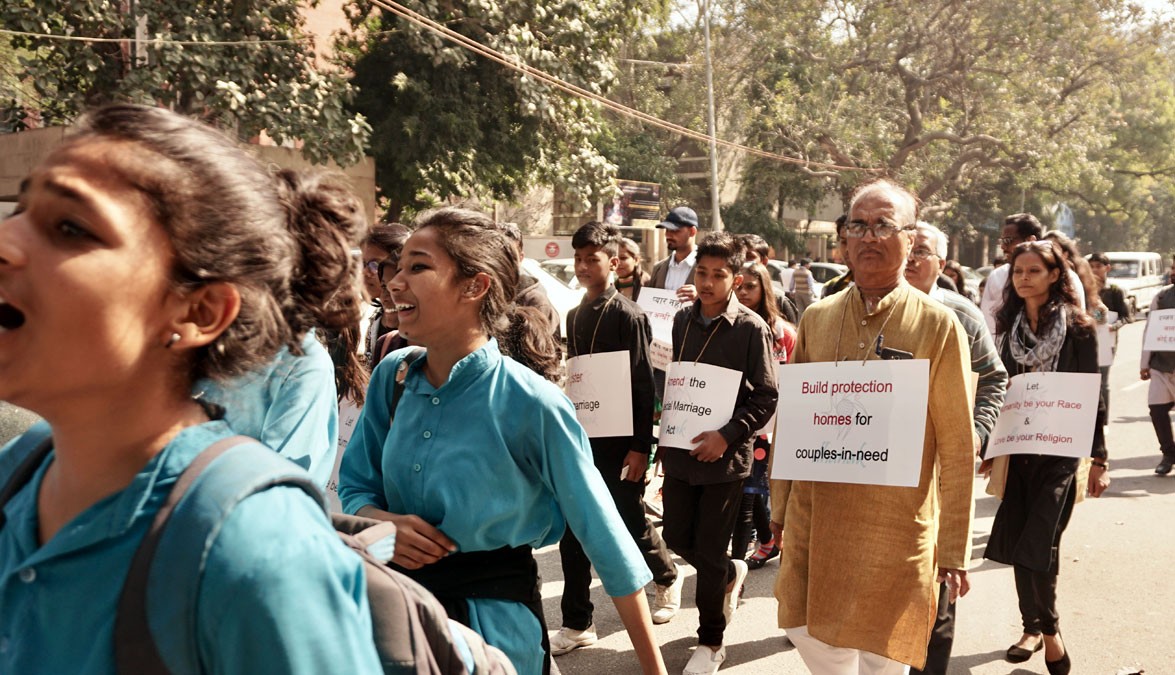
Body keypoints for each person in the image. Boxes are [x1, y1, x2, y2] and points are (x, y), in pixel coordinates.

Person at [0, 103, 381, 673]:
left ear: (200, 311)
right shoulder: (17, 472)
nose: (6, 240)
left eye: (71, 227)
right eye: (21, 209)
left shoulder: (256, 546)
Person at [338, 207, 666, 675]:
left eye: (418, 267)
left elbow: (603, 535)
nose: (394, 281)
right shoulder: (393, 376)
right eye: (396, 267)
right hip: (396, 624)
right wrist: (380, 522)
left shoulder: (532, 402)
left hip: (496, 636)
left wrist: (654, 668)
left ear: (475, 286)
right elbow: (356, 485)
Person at [771, 179, 975, 674]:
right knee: (806, 629)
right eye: (857, 225)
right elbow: (794, 424)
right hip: (818, 518)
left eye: (884, 225)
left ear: (910, 239)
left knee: (885, 653)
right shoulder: (817, 319)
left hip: (896, 527)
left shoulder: (938, 324)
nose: (868, 237)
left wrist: (953, 547)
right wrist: (779, 507)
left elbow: (957, 444)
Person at [552, 222, 681, 658]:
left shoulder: (629, 314)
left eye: (594, 258)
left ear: (614, 261)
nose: (585, 266)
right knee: (573, 528)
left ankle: (665, 577)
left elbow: (644, 386)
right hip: (582, 437)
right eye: (579, 259)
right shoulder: (574, 314)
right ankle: (577, 622)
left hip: (622, 441)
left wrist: (641, 448)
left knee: (626, 518)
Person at [986, 239, 1109, 675]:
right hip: (1019, 453)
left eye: (1034, 270)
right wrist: (990, 447)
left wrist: (1099, 459)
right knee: (1021, 540)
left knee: (1041, 541)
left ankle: (1050, 632)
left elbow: (1094, 394)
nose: (1023, 278)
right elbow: (1003, 393)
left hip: (1061, 453)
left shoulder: (1079, 327)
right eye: (1018, 271)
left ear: (1055, 276)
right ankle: (1030, 628)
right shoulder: (1010, 329)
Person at [660, 232, 778, 675]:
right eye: (702, 273)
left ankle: (710, 641)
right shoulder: (681, 321)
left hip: (724, 459)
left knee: (708, 548)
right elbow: (681, 382)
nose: (708, 283)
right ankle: (731, 573)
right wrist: (667, 437)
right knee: (676, 538)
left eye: (719, 275)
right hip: (680, 455)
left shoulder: (751, 328)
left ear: (737, 278)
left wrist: (726, 435)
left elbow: (767, 396)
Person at [904, 223, 1009, 675]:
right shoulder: (853, 310)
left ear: (941, 264)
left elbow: (994, 378)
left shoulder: (961, 315)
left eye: (921, 252)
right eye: (905, 248)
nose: (910, 258)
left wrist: (975, 437)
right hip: (879, 472)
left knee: (939, 584)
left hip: (942, 472)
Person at [732, 262, 794, 571]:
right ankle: (768, 541)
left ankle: (736, 569)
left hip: (769, 426)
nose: (743, 292)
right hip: (732, 423)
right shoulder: (728, 324)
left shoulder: (782, 333)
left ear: (764, 289)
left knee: (752, 491)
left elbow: (794, 382)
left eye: (750, 287)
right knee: (748, 491)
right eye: (739, 286)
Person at [981, 214, 1084, 336]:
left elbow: (1077, 324)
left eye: (1008, 241)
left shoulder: (1067, 277)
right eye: (1017, 272)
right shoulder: (997, 277)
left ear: (1030, 240)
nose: (1003, 247)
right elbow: (988, 325)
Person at [1088, 252, 1133, 420]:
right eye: (1091, 266)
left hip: (1106, 342)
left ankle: (1103, 419)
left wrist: (1113, 327)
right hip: (1087, 339)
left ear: (1107, 268)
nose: (1094, 270)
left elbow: (1126, 316)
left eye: (1098, 266)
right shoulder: (1083, 289)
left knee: (1103, 381)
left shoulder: (1114, 291)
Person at [361, 223, 411, 369]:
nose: (365, 272)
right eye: (363, 263)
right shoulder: (377, 321)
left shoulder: (415, 322)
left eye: (374, 264)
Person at [1141, 280, 1175, 475]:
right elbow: (1150, 330)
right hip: (1161, 366)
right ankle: (1168, 454)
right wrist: (1144, 364)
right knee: (1157, 410)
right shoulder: (1162, 296)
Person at [649, 206, 700, 303]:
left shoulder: (707, 267)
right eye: (667, 230)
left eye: (675, 230)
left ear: (692, 231)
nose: (668, 235)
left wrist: (700, 296)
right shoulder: (658, 268)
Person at [616, 236, 651, 301]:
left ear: (636, 260)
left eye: (623, 258)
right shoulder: (610, 287)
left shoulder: (649, 285)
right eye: (614, 258)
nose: (617, 263)